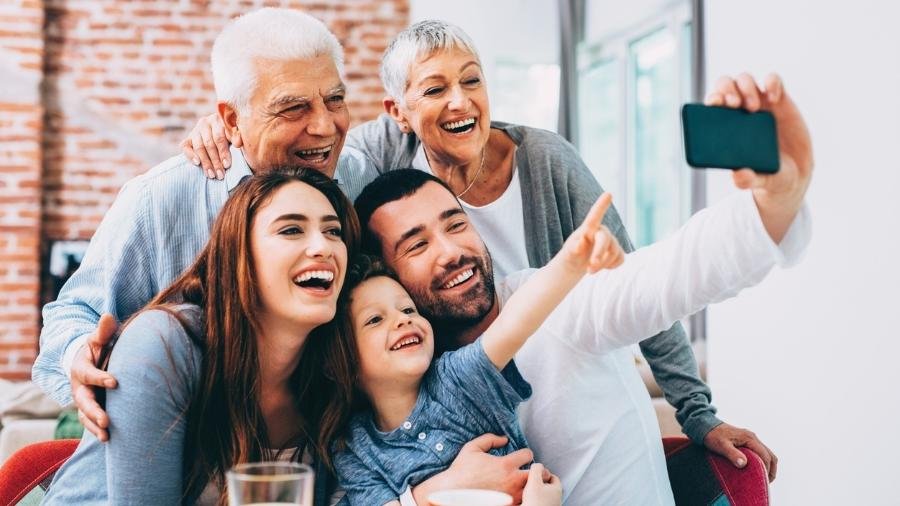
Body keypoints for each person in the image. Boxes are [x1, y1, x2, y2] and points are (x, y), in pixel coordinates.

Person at [183, 19, 782, 479]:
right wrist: (225, 132)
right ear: (399, 113)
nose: (459, 101)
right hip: (453, 396)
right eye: (434, 89)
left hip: (559, 363)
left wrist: (696, 411)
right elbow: (305, 148)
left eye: (472, 80)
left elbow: (639, 286)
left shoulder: (544, 161)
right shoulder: (379, 162)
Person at [346, 153, 811, 504]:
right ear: (384, 275)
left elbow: (669, 276)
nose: (451, 252)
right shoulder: (399, 381)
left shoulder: (552, 305)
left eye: (456, 225)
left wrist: (774, 204)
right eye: (417, 245)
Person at [32, 6, 380, 439]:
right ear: (232, 120)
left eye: (335, 100)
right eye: (292, 108)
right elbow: (72, 314)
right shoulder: (159, 199)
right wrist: (80, 355)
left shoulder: (361, 177)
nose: (325, 126)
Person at [43, 168, 357, 504]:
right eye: (291, 229)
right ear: (240, 255)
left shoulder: (331, 372)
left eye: (333, 231)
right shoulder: (165, 342)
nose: (323, 246)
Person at [330, 192, 622, 505]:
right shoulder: (354, 446)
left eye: (408, 310)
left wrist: (570, 262)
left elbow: (515, 323)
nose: (402, 321)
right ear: (340, 362)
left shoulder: (457, 380)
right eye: (375, 319)